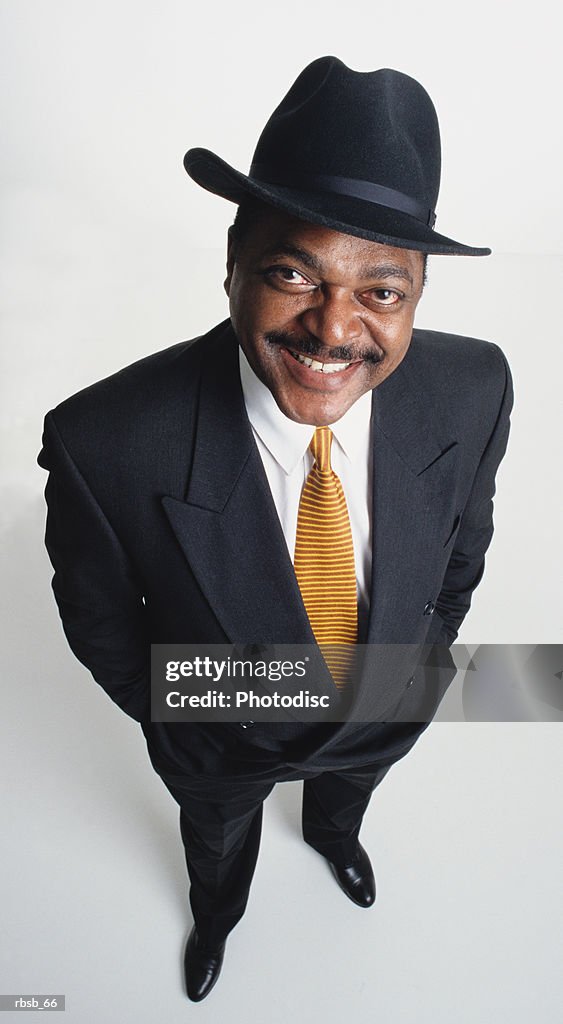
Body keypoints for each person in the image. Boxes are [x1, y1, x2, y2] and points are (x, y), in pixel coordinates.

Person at [37, 56, 513, 1002]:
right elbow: (101, 625)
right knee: (217, 843)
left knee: (349, 797)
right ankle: (218, 911)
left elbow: (462, 549)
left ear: (416, 294)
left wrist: (416, 666)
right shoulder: (104, 441)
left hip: (384, 702)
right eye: (294, 273)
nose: (333, 329)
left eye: (380, 289)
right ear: (232, 264)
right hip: (219, 737)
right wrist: (198, 720)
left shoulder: (476, 386)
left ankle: (335, 835)